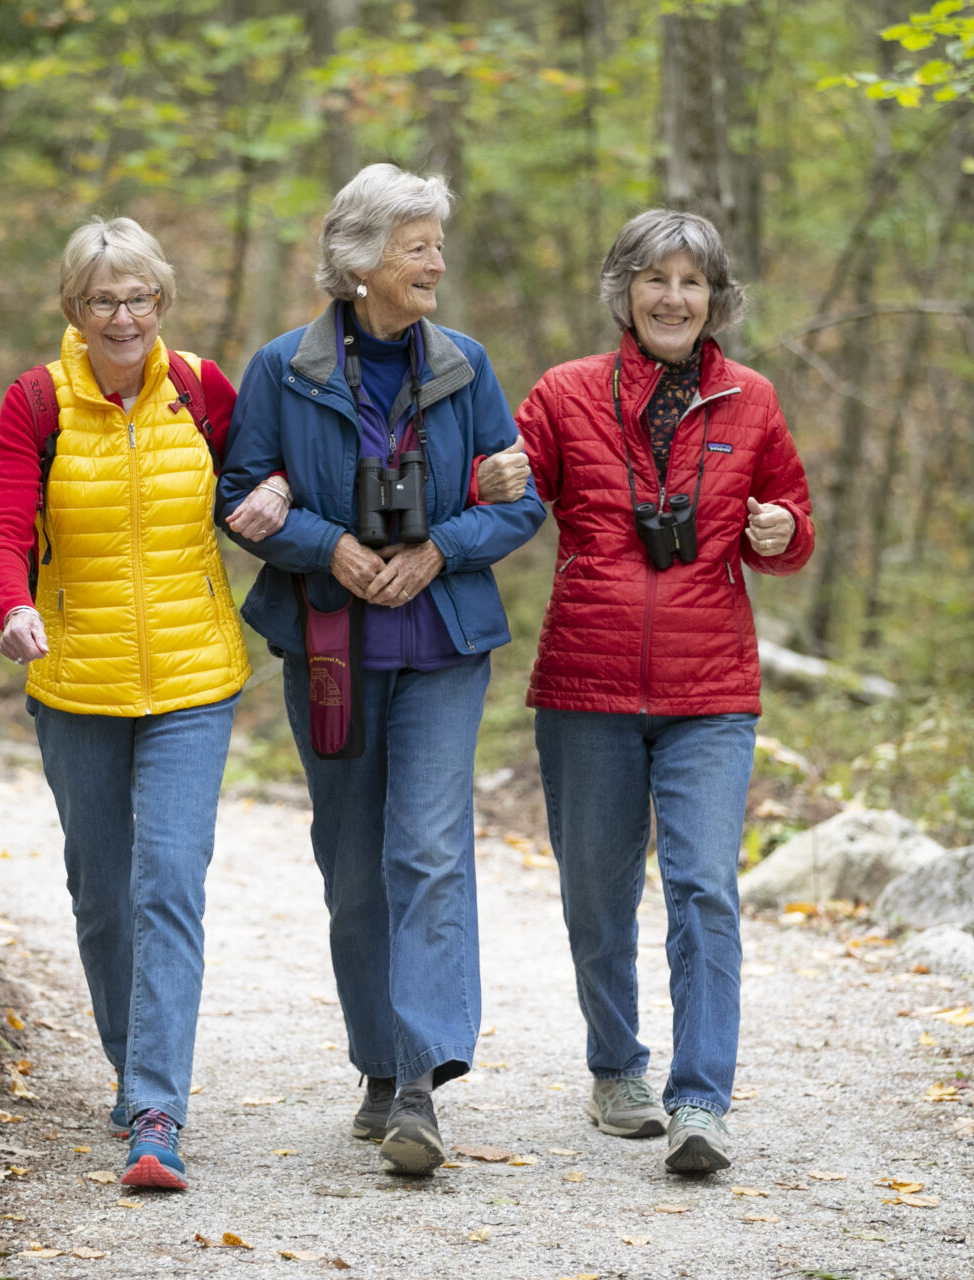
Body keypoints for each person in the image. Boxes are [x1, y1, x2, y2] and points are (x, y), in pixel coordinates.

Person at [218, 164, 545, 1176]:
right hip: (329, 648)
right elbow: (240, 493)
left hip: (443, 642)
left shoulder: (467, 364)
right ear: (359, 261)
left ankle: (418, 1082)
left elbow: (520, 497)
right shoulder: (283, 368)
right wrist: (331, 548)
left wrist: (441, 545)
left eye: (437, 245)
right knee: (353, 868)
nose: (437, 263)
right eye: (417, 247)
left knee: (430, 852)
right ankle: (376, 1060)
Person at [0, 216, 291, 1192]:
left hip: (194, 680)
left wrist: (274, 496)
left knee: (168, 879)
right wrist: (15, 602)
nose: (124, 315)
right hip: (74, 681)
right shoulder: (38, 399)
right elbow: (1, 525)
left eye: (140, 297)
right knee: (102, 892)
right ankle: (132, 1068)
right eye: (105, 299)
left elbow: (260, 481)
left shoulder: (201, 390)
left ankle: (157, 1108)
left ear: (162, 303)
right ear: (77, 308)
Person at [512, 210, 814, 1176]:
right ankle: (616, 1070)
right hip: (585, 685)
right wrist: (495, 477)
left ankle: (700, 1101)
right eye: (654, 280)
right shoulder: (564, 394)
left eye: (691, 283)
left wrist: (780, 531)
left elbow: (795, 522)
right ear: (625, 293)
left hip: (710, 690)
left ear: (715, 298)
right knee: (597, 895)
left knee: (703, 891)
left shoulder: (751, 400)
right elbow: (510, 500)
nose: (673, 298)